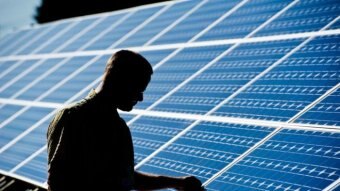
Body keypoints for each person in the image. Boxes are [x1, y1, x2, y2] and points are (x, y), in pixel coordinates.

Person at [47, 50, 205, 191]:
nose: (141, 98)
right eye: (139, 89)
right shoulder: (72, 117)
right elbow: (58, 182)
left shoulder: (119, 128)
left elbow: (126, 179)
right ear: (120, 80)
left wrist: (179, 182)